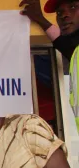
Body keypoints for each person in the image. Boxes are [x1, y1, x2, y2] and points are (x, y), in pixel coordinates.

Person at [21, 0, 79, 132]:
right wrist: (40, 19)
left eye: (73, 7)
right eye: (59, 12)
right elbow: (63, 43)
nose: (64, 15)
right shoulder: (76, 52)